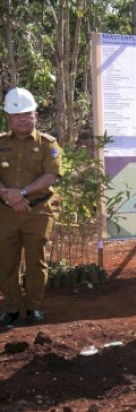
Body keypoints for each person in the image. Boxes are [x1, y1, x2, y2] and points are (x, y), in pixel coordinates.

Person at [0, 87, 63, 326]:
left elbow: (51, 176)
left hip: (37, 211)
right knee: (6, 261)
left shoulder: (48, 144)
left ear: (35, 115)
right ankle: (11, 308)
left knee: (36, 261)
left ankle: (34, 307)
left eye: (27, 114)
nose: (23, 119)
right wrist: (9, 196)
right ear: (9, 118)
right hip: (5, 211)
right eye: (17, 115)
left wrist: (23, 193)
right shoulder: (1, 142)